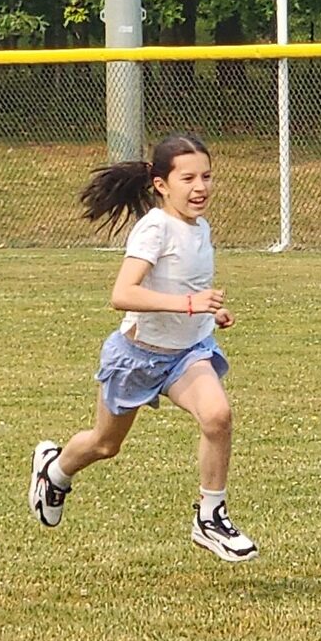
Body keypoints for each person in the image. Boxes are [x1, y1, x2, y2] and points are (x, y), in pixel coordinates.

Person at [27, 133, 259, 562]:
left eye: (207, 176)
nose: (200, 187)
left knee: (218, 416)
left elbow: (187, 285)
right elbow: (123, 294)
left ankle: (210, 517)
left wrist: (208, 314)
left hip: (187, 354)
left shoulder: (201, 228)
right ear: (160, 184)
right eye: (187, 177)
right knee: (104, 445)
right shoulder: (153, 228)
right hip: (137, 357)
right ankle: (55, 471)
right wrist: (189, 305)